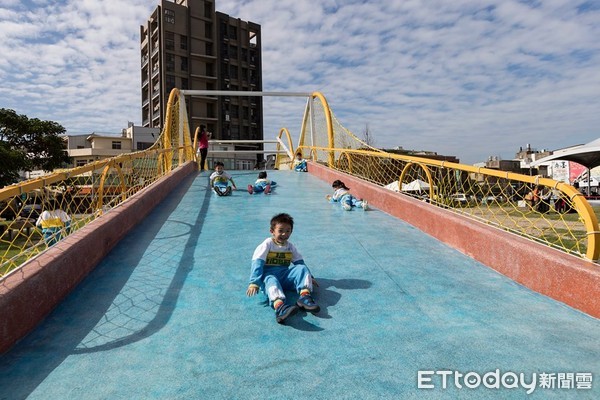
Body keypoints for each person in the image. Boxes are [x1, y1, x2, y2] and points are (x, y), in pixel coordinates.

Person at [246, 213, 320, 324]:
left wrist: (309, 277)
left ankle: (304, 297)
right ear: (272, 231)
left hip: (284, 276)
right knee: (271, 280)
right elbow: (258, 262)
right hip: (268, 277)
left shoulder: (290, 246)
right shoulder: (267, 244)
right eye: (280, 230)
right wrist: (254, 282)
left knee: (301, 268)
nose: (284, 234)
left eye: (288, 230)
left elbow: (299, 261)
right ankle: (280, 307)